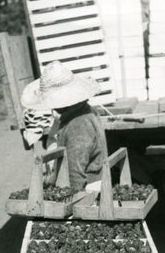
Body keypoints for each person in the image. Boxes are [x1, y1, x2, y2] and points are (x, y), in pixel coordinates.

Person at [22, 60, 107, 192]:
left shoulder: (77, 124)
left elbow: (76, 173)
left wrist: (69, 198)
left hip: (87, 190)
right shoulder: (85, 111)